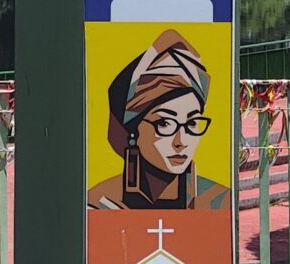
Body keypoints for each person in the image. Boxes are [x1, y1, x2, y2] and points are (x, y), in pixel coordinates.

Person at [87, 28, 231, 210]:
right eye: (164, 123)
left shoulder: (219, 202)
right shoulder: (100, 204)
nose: (180, 142)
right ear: (133, 130)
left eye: (192, 123)